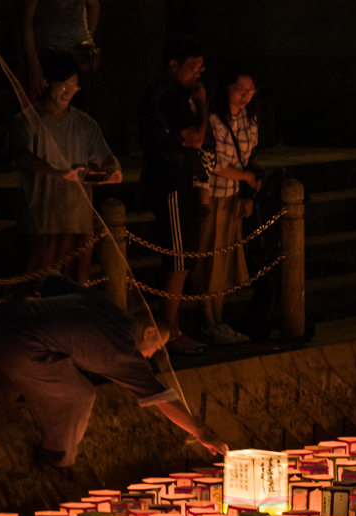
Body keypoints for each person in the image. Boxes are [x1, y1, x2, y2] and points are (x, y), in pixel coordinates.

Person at [0, 272, 228, 473]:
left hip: (0, 322)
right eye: (155, 347)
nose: (149, 356)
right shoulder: (123, 347)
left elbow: (50, 281)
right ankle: (55, 460)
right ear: (148, 332)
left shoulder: (105, 306)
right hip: (20, 348)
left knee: (7, 386)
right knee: (80, 395)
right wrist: (199, 431)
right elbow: (162, 398)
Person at [12, 50, 122, 286]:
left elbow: (107, 157)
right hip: (41, 223)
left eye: (73, 87)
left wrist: (113, 170)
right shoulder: (27, 120)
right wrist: (60, 172)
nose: (68, 92)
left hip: (78, 223)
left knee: (75, 292)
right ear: (47, 83)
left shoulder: (84, 123)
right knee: (36, 292)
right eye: (63, 86)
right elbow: (22, 157)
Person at [137, 36, 210, 355]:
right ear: (173, 66)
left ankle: (171, 325)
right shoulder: (168, 97)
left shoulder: (166, 95)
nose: (198, 74)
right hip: (170, 182)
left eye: (201, 68)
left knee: (183, 257)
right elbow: (195, 138)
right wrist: (203, 105)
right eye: (192, 68)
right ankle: (170, 329)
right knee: (178, 258)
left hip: (173, 179)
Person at [192, 65, 261, 344]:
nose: (245, 96)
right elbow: (216, 164)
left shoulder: (250, 118)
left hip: (232, 196)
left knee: (223, 259)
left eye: (250, 91)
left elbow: (249, 157)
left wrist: (245, 189)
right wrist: (245, 176)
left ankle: (218, 319)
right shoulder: (212, 120)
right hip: (213, 194)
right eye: (239, 90)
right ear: (226, 89)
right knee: (208, 256)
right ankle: (208, 321)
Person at [20, 0, 101, 104]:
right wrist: (34, 64)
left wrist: (88, 40)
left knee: (73, 98)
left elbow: (94, 5)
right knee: (44, 100)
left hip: (77, 50)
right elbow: (26, 20)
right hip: (47, 47)